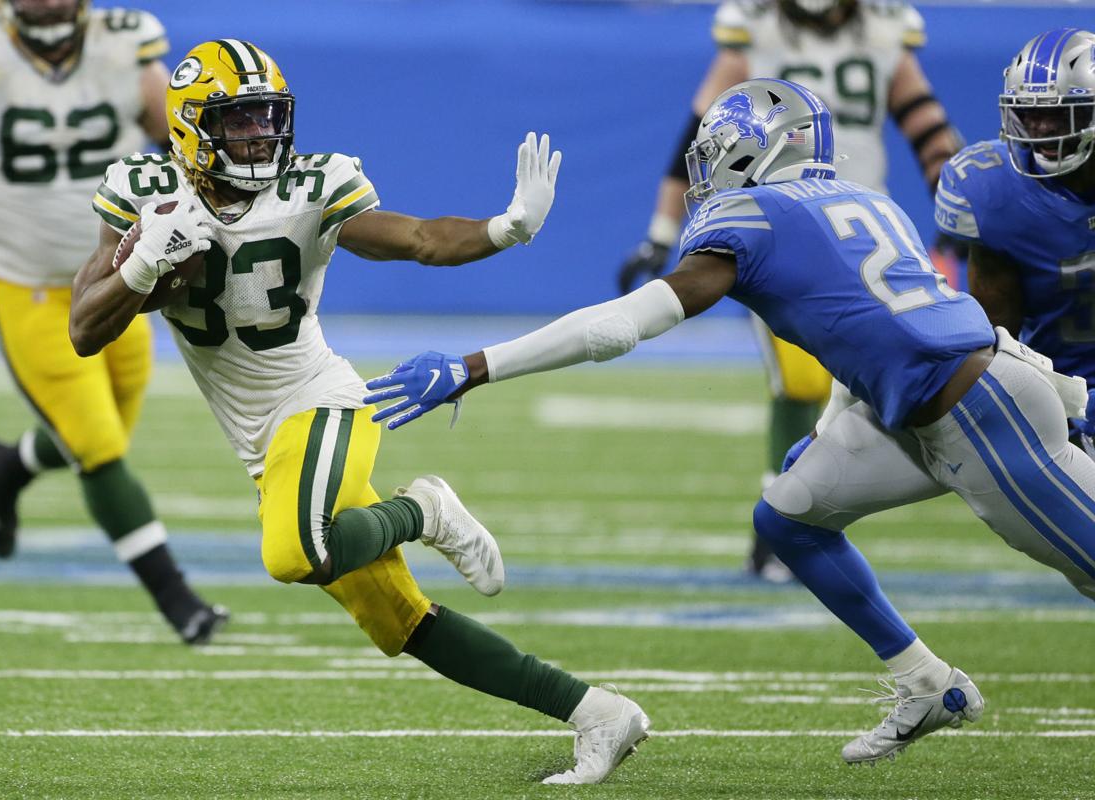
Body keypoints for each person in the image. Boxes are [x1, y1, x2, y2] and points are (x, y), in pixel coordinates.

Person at [368, 78, 1095, 764]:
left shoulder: (753, 217)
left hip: (977, 413)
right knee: (788, 517)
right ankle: (928, 684)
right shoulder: (866, 199)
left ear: (759, 150)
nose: (706, 173)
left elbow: (623, 325)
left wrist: (475, 365)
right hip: (942, 395)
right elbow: (875, 330)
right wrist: (839, 419)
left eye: (717, 153)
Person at [68, 39, 649, 785]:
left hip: (321, 401)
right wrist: (144, 262)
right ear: (189, 129)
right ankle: (598, 712)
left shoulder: (310, 188)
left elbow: (420, 240)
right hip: (260, 439)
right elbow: (86, 329)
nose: (258, 136)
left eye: (266, 119)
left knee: (292, 554)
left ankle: (425, 509)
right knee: (401, 622)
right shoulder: (146, 191)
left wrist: (507, 228)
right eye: (238, 122)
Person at [0, 0, 227, 644]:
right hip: (21, 285)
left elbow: (189, 149)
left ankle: (3, 466)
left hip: (116, 277)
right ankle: (178, 600)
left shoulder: (125, 50)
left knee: (102, 433)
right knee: (98, 447)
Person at [616, 0, 961, 580]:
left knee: (883, 384)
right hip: (780, 228)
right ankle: (781, 524)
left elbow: (928, 127)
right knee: (801, 379)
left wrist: (958, 214)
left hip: (863, 231)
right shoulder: (754, 30)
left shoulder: (883, 29)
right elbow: (698, 135)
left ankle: (799, 518)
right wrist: (659, 230)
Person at [935, 28, 1095, 444]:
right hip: (1060, 392)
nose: (1041, 129)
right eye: (1028, 113)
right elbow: (996, 335)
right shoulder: (995, 192)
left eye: (1059, 115)